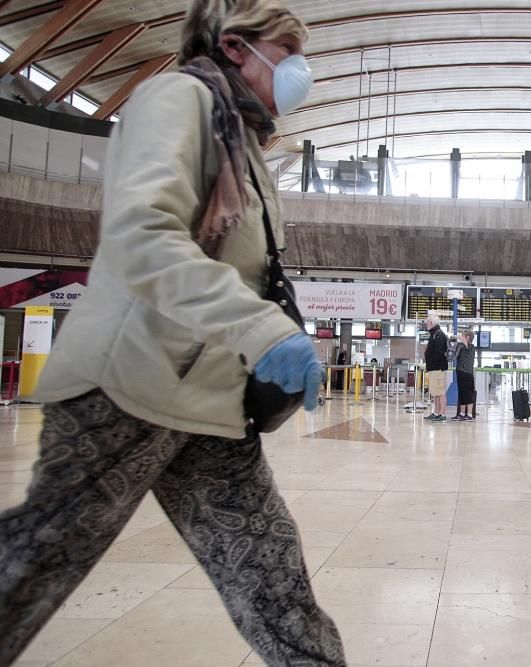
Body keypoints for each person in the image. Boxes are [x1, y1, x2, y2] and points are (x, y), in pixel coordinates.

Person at [0, 1, 347, 664]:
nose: (301, 72)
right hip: (126, 387)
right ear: (238, 48)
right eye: (288, 52)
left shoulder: (244, 142)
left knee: (275, 584)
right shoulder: (177, 98)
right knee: (35, 561)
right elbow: (141, 236)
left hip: (210, 404)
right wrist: (262, 328)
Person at [423, 313, 450, 421]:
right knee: (435, 392)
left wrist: (430, 357)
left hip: (438, 368)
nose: (426, 325)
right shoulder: (434, 333)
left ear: (432, 323)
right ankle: (436, 412)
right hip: (434, 368)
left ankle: (442, 414)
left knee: (440, 392)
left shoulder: (438, 334)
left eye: (427, 323)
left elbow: (439, 352)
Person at [453, 329, 476, 421]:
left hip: (467, 373)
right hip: (460, 371)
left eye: (463, 335)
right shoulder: (461, 347)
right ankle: (461, 413)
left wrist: (457, 337)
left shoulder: (470, 347)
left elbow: (465, 343)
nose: (461, 337)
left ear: (468, 337)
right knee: (461, 393)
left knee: (468, 394)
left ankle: (470, 414)